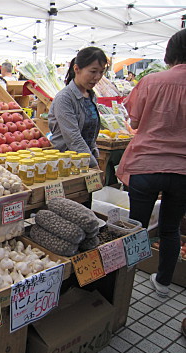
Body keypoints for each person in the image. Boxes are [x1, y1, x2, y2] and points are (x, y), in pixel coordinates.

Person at [116, 29, 186, 298]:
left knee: (136, 227)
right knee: (170, 228)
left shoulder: (151, 81)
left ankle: (123, 285)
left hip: (146, 164)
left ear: (170, 52)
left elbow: (133, 122)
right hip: (182, 171)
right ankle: (164, 283)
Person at [48, 47, 108, 168]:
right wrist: (92, 164)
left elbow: (90, 134)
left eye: (101, 72)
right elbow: (73, 138)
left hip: (84, 161)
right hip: (64, 163)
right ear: (77, 69)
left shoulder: (91, 96)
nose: (97, 77)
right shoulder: (64, 98)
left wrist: (93, 154)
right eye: (93, 71)